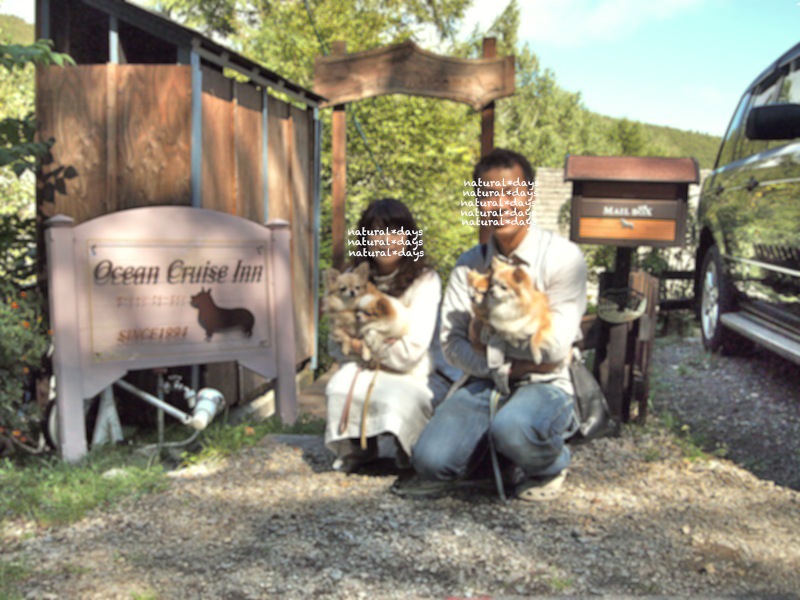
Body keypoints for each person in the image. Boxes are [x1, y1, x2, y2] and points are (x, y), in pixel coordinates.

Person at [395, 148, 588, 501]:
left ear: (530, 195)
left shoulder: (564, 258)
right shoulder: (468, 266)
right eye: (489, 195)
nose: (500, 204)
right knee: (430, 461)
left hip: (546, 383)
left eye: (511, 193)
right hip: (484, 381)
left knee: (514, 429)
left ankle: (551, 462)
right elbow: (453, 344)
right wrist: (502, 365)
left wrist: (483, 340)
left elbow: (554, 349)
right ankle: (499, 453)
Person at [325, 198, 459, 472]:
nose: (386, 240)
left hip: (418, 369)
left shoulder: (425, 279)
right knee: (339, 386)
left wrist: (361, 344)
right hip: (363, 364)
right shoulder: (352, 278)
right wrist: (361, 346)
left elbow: (412, 350)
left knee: (396, 396)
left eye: (395, 232)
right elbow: (337, 340)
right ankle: (359, 447)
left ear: (409, 236)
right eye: (377, 232)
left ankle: (408, 447)